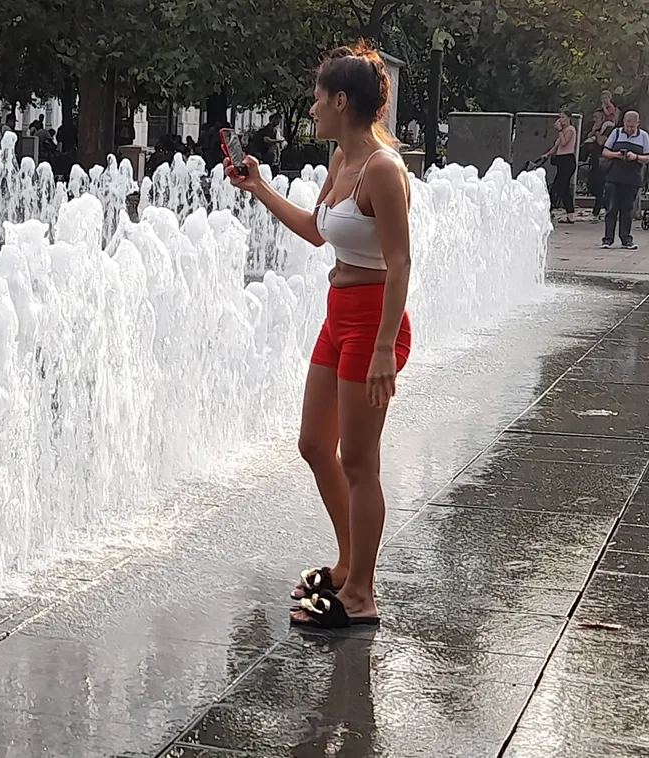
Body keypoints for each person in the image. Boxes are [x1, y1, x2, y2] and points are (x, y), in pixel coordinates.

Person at [225, 43, 411, 629]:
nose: (311, 109)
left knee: (358, 460)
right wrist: (258, 187)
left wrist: (384, 347)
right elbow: (314, 231)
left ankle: (361, 594)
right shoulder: (340, 161)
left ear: (341, 101)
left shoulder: (383, 168)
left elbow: (401, 262)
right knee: (313, 444)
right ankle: (349, 562)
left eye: (316, 98)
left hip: (375, 322)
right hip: (338, 316)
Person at [601, 110, 649, 250]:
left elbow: (647, 157)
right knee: (611, 209)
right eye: (627, 126)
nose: (629, 129)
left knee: (627, 209)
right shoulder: (616, 133)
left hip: (632, 178)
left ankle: (626, 239)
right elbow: (605, 152)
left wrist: (635, 157)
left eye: (632, 127)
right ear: (623, 123)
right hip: (614, 177)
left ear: (638, 124)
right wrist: (617, 155)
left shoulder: (643, 136)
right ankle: (607, 239)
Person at [542, 110, 578, 223]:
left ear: (568, 118)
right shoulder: (562, 132)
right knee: (562, 187)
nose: (560, 120)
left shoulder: (570, 130)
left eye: (563, 117)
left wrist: (560, 130)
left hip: (568, 160)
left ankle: (554, 210)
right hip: (561, 161)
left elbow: (563, 143)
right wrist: (547, 155)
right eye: (560, 117)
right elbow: (557, 146)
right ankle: (568, 213)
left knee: (560, 186)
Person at [586, 120, 614, 221]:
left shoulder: (608, 132)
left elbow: (601, 142)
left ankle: (598, 211)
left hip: (602, 165)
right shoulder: (597, 132)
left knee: (601, 189)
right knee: (595, 187)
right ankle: (604, 208)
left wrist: (598, 132)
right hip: (595, 163)